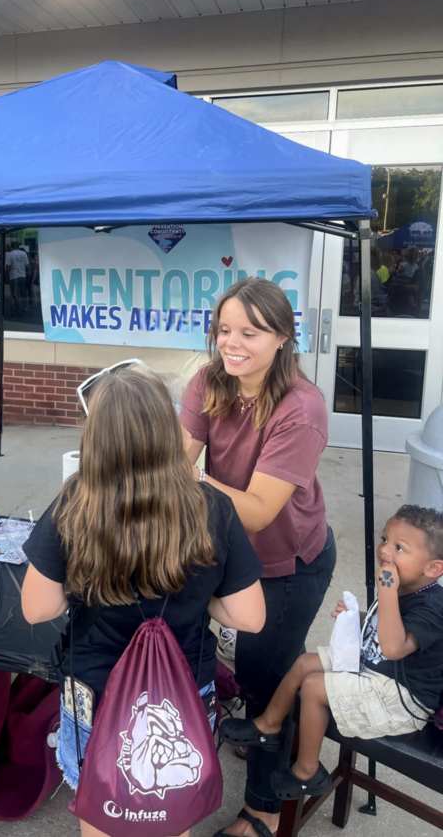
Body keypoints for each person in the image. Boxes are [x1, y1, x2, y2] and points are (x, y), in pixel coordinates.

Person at [21, 364, 266, 837]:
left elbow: (38, 607)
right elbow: (249, 617)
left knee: (101, 809)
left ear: (96, 437)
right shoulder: (211, 506)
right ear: (167, 430)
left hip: (95, 690)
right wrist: (201, 597)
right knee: (170, 811)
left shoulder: (75, 505)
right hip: (182, 692)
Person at [180, 277, 336, 837]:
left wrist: (192, 479)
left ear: (283, 337)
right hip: (224, 544)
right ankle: (252, 730)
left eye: (250, 332)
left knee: (268, 676)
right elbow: (178, 457)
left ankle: (265, 808)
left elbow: (257, 512)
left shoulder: (302, 406)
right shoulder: (208, 380)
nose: (232, 342)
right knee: (233, 662)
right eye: (224, 329)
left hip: (288, 561)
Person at [220, 505, 443, 798]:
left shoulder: (432, 607)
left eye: (399, 548)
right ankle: (268, 726)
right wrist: (358, 617)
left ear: (433, 569)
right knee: (305, 663)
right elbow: (388, 626)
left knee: (315, 687)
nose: (384, 551)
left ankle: (307, 772)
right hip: (377, 670)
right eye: (384, 539)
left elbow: (393, 646)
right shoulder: (404, 586)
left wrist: (387, 589)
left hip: (403, 699)